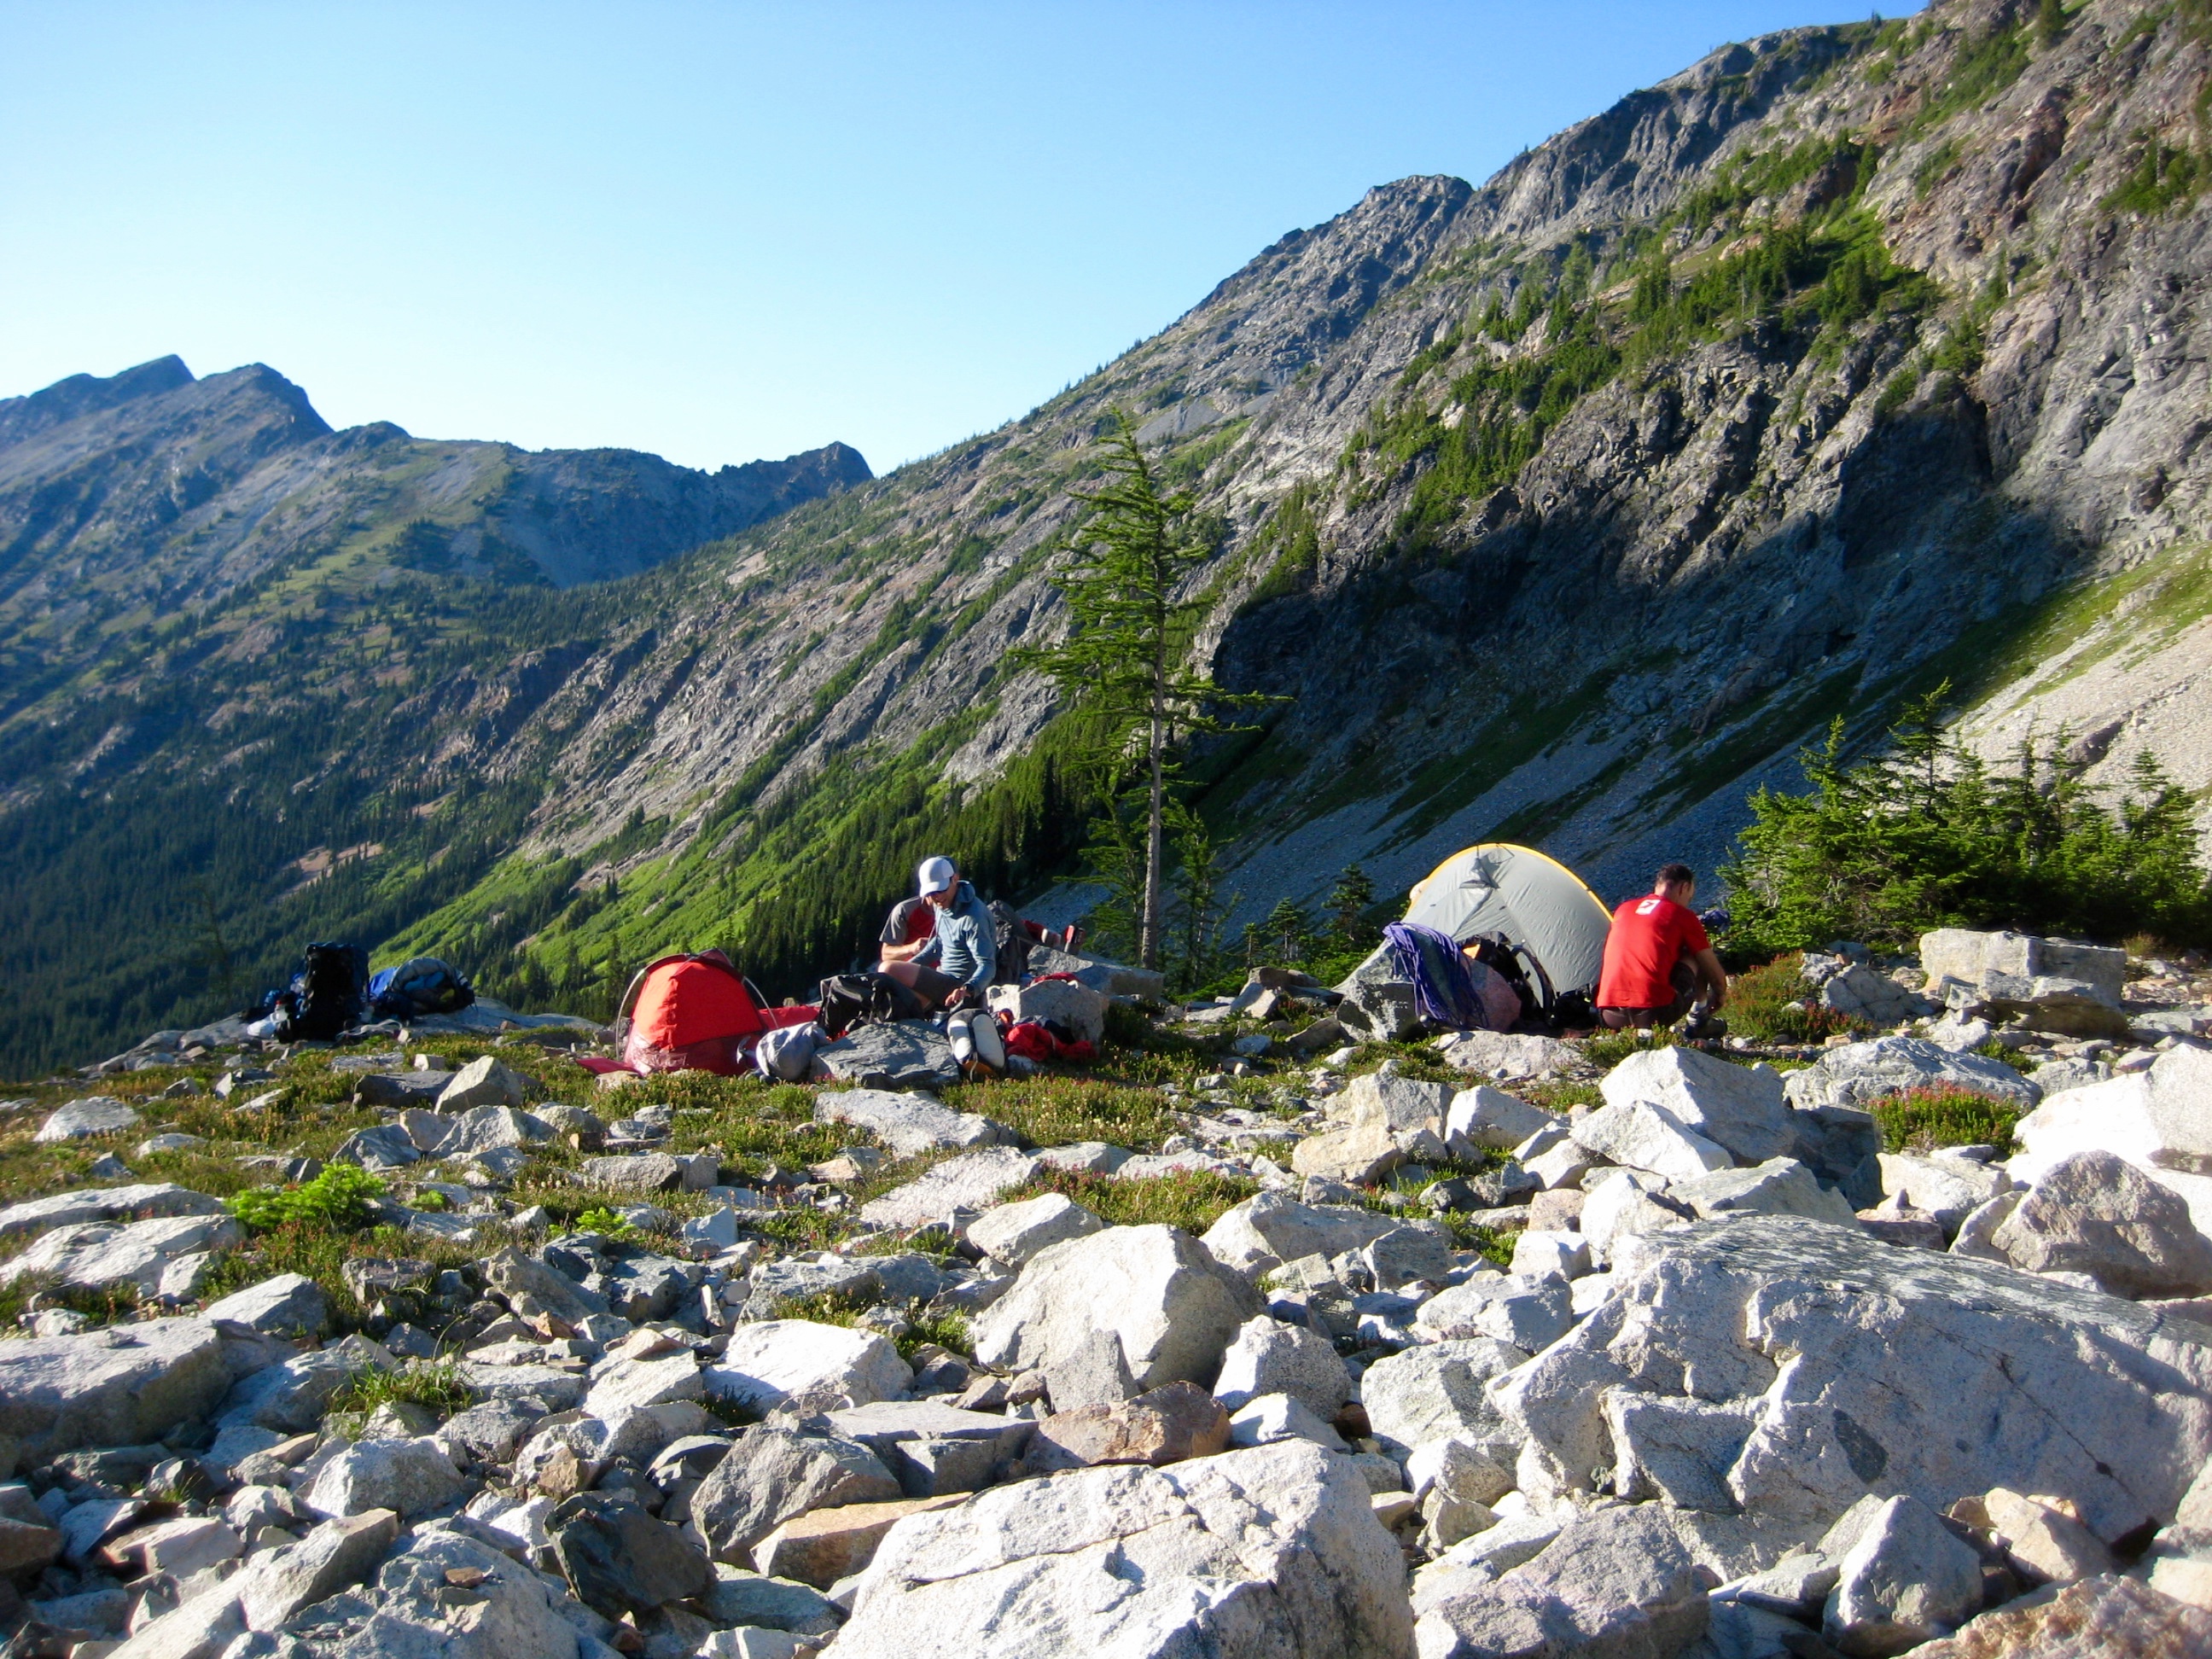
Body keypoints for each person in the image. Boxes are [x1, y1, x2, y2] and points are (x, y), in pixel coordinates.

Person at [1596, 863, 1727, 1034]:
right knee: (1694, 953)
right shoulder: (1682, 915)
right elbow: (1714, 974)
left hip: (1610, 1015)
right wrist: (1720, 994)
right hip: (1653, 1013)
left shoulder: (1623, 909)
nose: (1687, 903)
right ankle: (1699, 1019)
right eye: (1689, 897)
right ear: (1684, 887)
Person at [881, 856, 997, 1010]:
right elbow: (940, 943)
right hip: (943, 975)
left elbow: (988, 964)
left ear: (955, 879)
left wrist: (968, 989)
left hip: (959, 985)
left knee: (888, 969)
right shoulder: (942, 904)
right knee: (891, 982)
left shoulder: (973, 917)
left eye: (941, 890)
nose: (936, 897)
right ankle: (927, 1009)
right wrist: (911, 965)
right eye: (931, 892)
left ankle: (929, 1008)